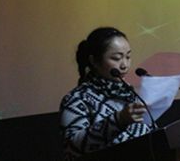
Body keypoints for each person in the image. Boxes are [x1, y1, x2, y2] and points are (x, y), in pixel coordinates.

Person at [59, 27, 151, 160]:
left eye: (128, 56)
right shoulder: (76, 99)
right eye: (116, 58)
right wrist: (118, 120)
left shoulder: (129, 93)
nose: (125, 65)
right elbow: (73, 145)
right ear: (94, 61)